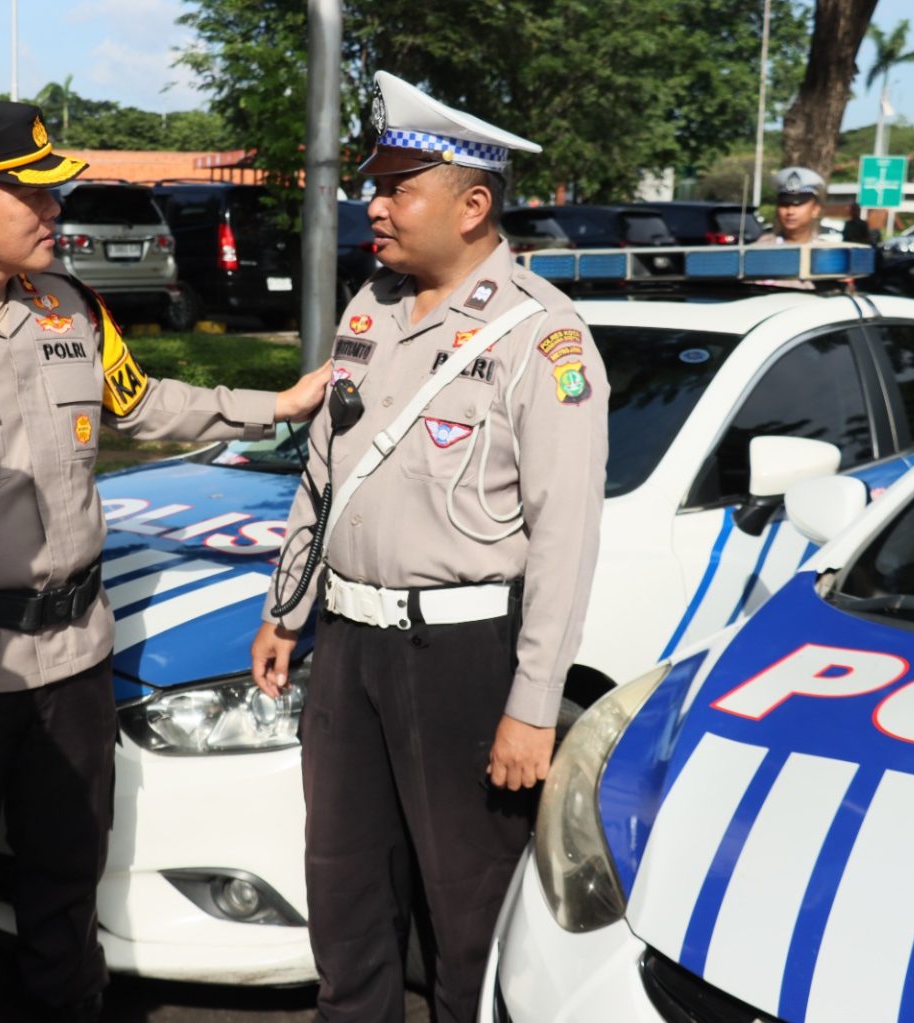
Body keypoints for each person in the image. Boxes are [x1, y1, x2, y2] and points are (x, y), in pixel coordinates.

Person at [0, 99, 331, 1022]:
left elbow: (144, 405)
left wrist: (278, 406)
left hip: (77, 663)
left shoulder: (70, 309)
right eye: (35, 196)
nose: (59, 211)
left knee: (66, 888)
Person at [250, 71, 609, 1023]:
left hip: (461, 657)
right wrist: (287, 609)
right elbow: (324, 471)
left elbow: (566, 539)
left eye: (399, 187)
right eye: (377, 184)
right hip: (348, 646)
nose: (374, 204)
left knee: (466, 919)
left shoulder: (544, 336)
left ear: (472, 204)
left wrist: (534, 706)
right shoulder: (369, 306)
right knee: (346, 896)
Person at [757, 165, 827, 245]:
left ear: (815, 210)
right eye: (784, 204)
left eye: (798, 205)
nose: (790, 211)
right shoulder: (760, 250)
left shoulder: (826, 251)